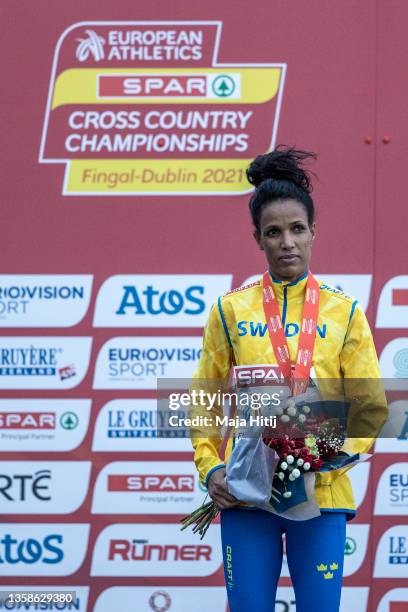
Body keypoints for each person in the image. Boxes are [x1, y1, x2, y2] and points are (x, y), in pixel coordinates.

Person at [189, 146, 387, 612]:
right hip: (246, 495)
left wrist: (329, 453)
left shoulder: (345, 310)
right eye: (273, 232)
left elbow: (372, 405)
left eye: (297, 229)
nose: (287, 242)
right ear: (257, 238)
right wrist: (210, 468)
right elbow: (203, 397)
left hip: (322, 496)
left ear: (314, 231)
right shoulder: (230, 309)